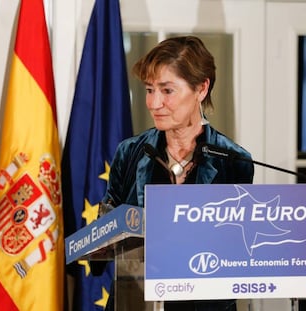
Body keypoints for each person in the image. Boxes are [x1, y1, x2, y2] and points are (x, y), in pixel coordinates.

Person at [100, 35, 254, 311]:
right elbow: (108, 229)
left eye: (167, 91)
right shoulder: (131, 152)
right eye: (149, 90)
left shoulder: (234, 160)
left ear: (201, 88)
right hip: (136, 299)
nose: (154, 103)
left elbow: (233, 246)